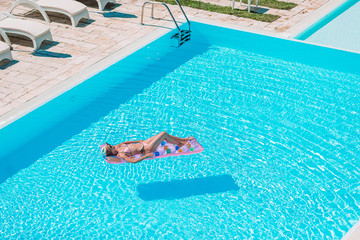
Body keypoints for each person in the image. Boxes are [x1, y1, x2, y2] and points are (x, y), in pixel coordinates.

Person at [102, 132, 194, 163]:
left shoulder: (117, 147)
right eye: (110, 146)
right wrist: (146, 156)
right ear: (112, 152)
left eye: (109, 144)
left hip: (144, 143)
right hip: (146, 149)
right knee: (163, 134)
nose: (111, 145)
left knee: (163, 135)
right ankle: (182, 141)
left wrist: (139, 141)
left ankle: (182, 141)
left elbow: (126, 142)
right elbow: (133, 161)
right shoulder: (121, 154)